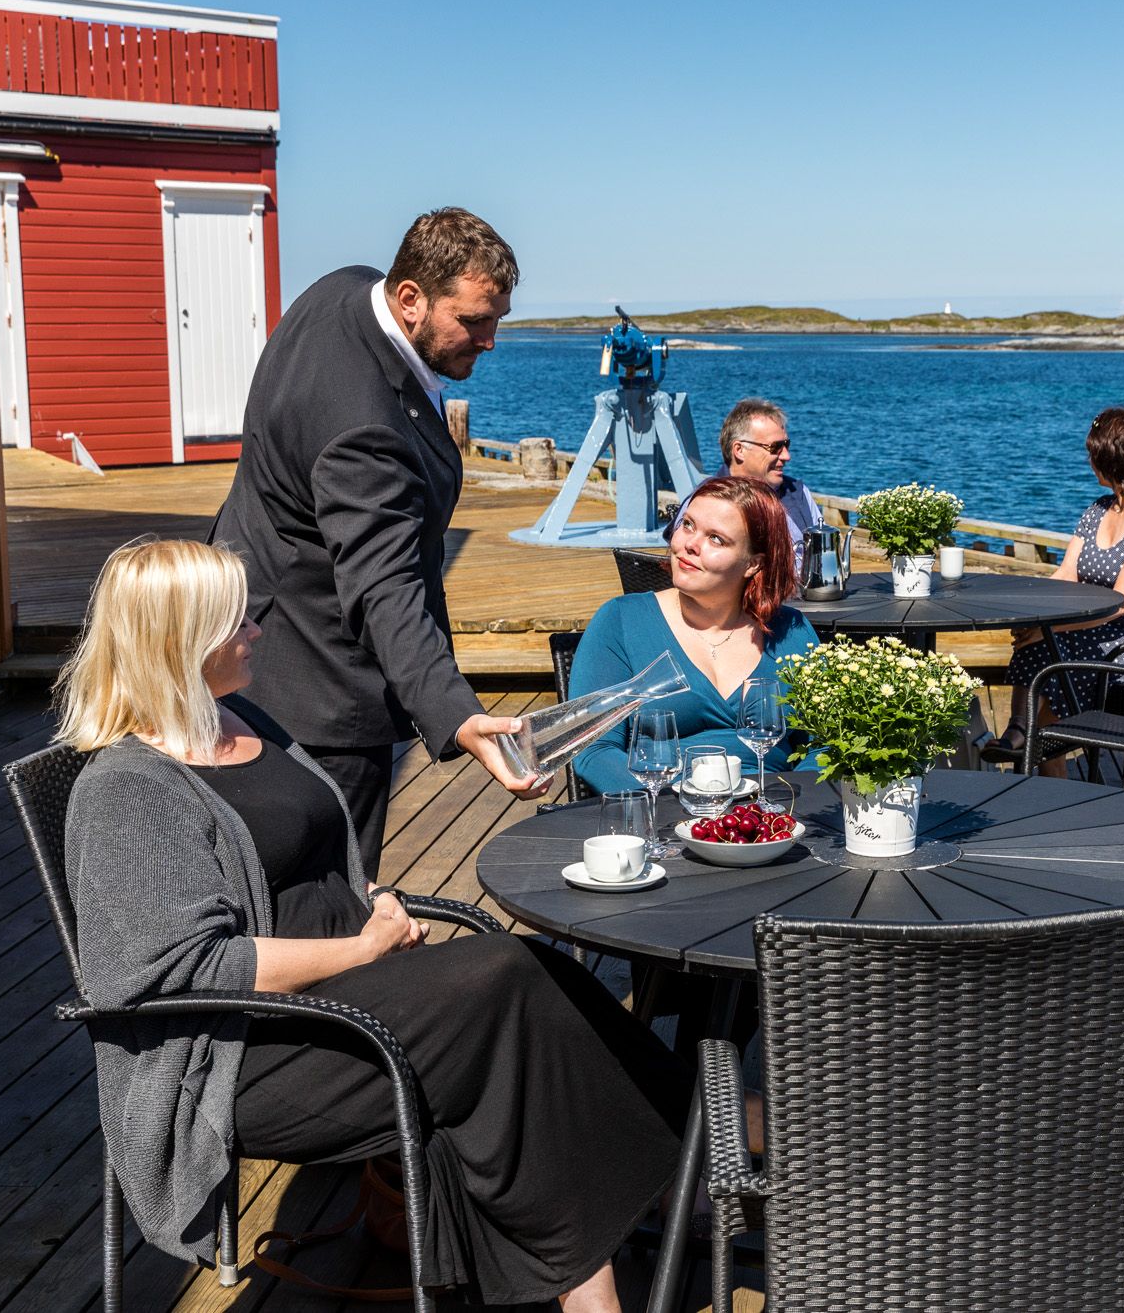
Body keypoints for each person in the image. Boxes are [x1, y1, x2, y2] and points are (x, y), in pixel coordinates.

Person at [57, 538, 690, 1311]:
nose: (258, 628)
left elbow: (308, 854)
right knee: (506, 983)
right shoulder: (125, 788)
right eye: (238, 620)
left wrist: (370, 899)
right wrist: (361, 944)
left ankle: (685, 1132)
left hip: (353, 992)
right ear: (178, 641)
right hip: (245, 1053)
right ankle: (673, 1167)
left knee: (528, 970)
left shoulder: (236, 716)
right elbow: (190, 968)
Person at [211, 207, 541, 875]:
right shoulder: (364, 430)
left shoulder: (344, 289)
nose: (491, 339)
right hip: (314, 686)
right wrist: (457, 714)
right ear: (412, 299)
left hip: (243, 622)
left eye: (497, 318)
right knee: (333, 896)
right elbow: (383, 587)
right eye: (476, 321)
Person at [571, 476, 818, 795]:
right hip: (663, 812)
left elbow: (825, 746)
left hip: (772, 819)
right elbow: (594, 751)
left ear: (752, 564)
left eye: (716, 539)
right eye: (687, 524)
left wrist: (788, 804)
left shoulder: (791, 632)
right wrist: (679, 808)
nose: (689, 544)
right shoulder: (622, 621)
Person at [985, 406, 1124, 774]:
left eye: (1092, 454)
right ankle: (1028, 740)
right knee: (1040, 640)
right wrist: (1031, 613)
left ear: (1110, 459)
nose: (1088, 462)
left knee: (1051, 647)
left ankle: (1026, 739)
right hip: (1106, 624)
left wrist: (1050, 628)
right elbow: (1067, 573)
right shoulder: (1100, 509)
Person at [712, 397, 821, 573]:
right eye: (776, 447)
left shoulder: (798, 493)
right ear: (739, 450)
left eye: (786, 445)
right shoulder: (707, 501)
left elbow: (823, 557)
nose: (786, 456)